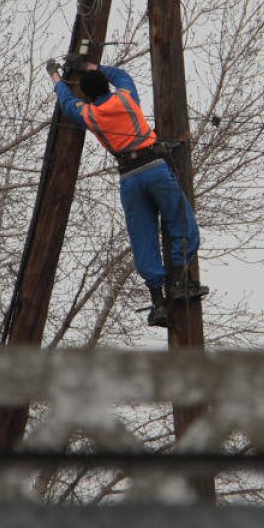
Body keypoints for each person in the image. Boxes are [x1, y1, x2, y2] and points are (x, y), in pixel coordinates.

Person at [46, 57, 207, 327]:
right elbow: (120, 75)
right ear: (105, 86)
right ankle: (179, 284)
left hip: (129, 179)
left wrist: (54, 76)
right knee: (181, 223)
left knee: (142, 237)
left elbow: (66, 101)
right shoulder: (125, 97)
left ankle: (158, 303)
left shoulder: (90, 114)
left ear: (86, 94)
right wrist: (92, 67)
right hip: (154, 168)